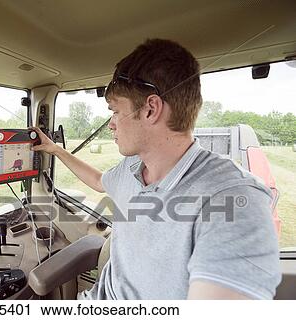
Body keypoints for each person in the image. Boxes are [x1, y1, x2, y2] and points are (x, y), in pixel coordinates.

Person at [31, 39, 281, 299]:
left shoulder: (233, 198)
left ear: (151, 109)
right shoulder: (132, 166)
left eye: (115, 112)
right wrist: (56, 150)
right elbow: (98, 181)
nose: (111, 124)